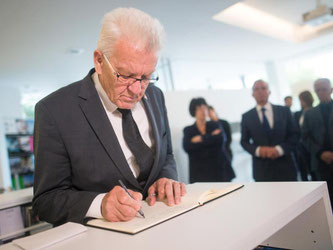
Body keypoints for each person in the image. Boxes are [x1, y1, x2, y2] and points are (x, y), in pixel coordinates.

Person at [33, 8, 186, 226]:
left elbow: (167, 154)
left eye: (146, 77)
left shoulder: (155, 95)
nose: (137, 90)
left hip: (162, 223)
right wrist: (100, 204)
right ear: (99, 60)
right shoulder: (53, 111)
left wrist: (166, 178)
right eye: (126, 76)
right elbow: (46, 201)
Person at [241, 80, 298, 181]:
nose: (260, 92)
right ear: (252, 94)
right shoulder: (247, 116)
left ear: (269, 91)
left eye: (263, 88)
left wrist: (279, 149)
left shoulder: (284, 111)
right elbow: (244, 141)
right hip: (262, 169)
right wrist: (258, 150)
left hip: (285, 166)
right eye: (256, 89)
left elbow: (295, 135)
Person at [183, 98, 233, 183]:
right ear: (193, 111)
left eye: (204, 108)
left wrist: (201, 139)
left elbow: (221, 140)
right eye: (199, 108)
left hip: (219, 169)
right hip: (200, 172)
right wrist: (211, 137)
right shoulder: (188, 130)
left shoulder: (215, 124)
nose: (203, 111)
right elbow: (187, 147)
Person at [302, 78, 333, 206]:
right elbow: (305, 137)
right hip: (321, 162)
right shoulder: (310, 114)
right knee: (327, 199)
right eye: (318, 90)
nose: (320, 92)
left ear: (331, 90)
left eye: (324, 89)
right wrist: (320, 152)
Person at [294, 91, 314, 181]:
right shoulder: (298, 114)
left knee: (313, 170)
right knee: (303, 170)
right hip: (301, 146)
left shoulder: (315, 111)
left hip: (312, 146)